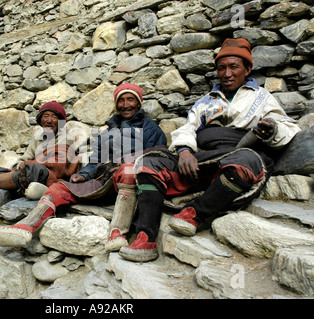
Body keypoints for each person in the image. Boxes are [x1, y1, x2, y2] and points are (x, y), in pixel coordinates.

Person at [118, 38, 301, 262]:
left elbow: (287, 126)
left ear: (247, 69)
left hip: (241, 153)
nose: (227, 74)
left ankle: (195, 213)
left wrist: (271, 128)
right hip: (203, 158)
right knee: (149, 163)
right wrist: (185, 151)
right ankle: (145, 236)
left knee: (244, 161)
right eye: (222, 68)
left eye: (234, 67)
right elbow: (188, 128)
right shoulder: (205, 101)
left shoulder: (262, 98)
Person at [0, 83, 167, 250]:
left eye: (130, 99)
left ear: (138, 103)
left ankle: (118, 233)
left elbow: (158, 156)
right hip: (105, 179)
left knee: (127, 169)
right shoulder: (107, 133)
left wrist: (132, 160)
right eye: (121, 100)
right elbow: (95, 161)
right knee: (60, 187)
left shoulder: (151, 128)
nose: (125, 104)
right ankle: (25, 226)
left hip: (131, 180)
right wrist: (83, 174)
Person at [0, 101, 81, 198]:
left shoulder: (66, 140)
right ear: (40, 121)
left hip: (51, 177)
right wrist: (20, 166)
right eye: (46, 116)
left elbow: (57, 166)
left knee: (34, 169)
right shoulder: (38, 139)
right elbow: (24, 158)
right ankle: (2, 181)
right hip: (32, 173)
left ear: (60, 122)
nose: (49, 120)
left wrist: (27, 165)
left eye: (54, 117)